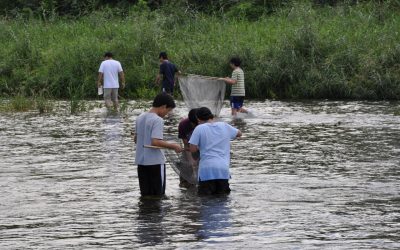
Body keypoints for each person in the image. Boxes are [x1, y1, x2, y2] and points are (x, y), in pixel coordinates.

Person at [134, 93, 183, 196]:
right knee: (158, 196)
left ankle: (146, 212)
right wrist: (174, 146)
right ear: (163, 106)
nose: (167, 113)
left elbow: (136, 139)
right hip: (155, 163)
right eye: (168, 110)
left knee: (146, 195)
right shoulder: (157, 120)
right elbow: (155, 142)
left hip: (141, 163)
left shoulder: (140, 117)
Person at [189, 107, 242, 195]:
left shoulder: (199, 128)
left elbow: (192, 149)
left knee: (206, 202)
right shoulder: (224, 125)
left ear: (198, 119)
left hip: (206, 171)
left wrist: (200, 147)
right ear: (211, 116)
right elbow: (239, 133)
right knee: (223, 201)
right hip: (222, 170)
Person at [178, 108, 199, 187]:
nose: (195, 126)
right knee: (186, 167)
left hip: (202, 150)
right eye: (194, 124)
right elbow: (186, 145)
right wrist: (191, 161)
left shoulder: (204, 125)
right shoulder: (183, 124)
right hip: (188, 149)